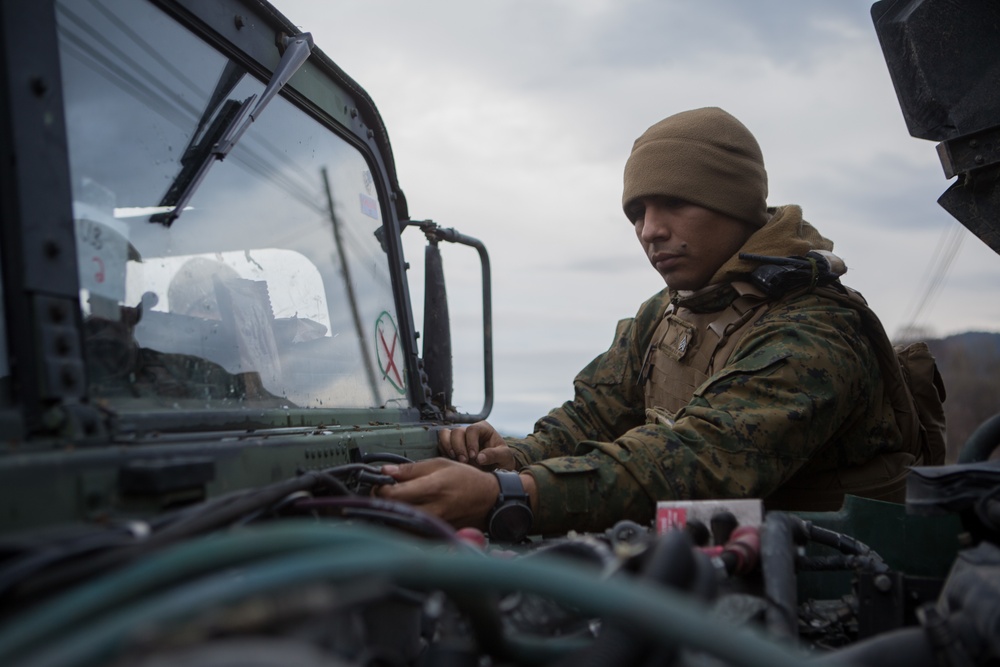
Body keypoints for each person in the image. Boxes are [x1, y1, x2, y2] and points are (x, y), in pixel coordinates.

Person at [377, 107, 928, 538]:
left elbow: (701, 461)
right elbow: (592, 415)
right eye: (638, 212)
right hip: (730, 555)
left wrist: (509, 495)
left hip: (836, 577)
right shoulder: (669, 311)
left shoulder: (815, 329)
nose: (650, 230)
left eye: (673, 204)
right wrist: (510, 457)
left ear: (736, 205)